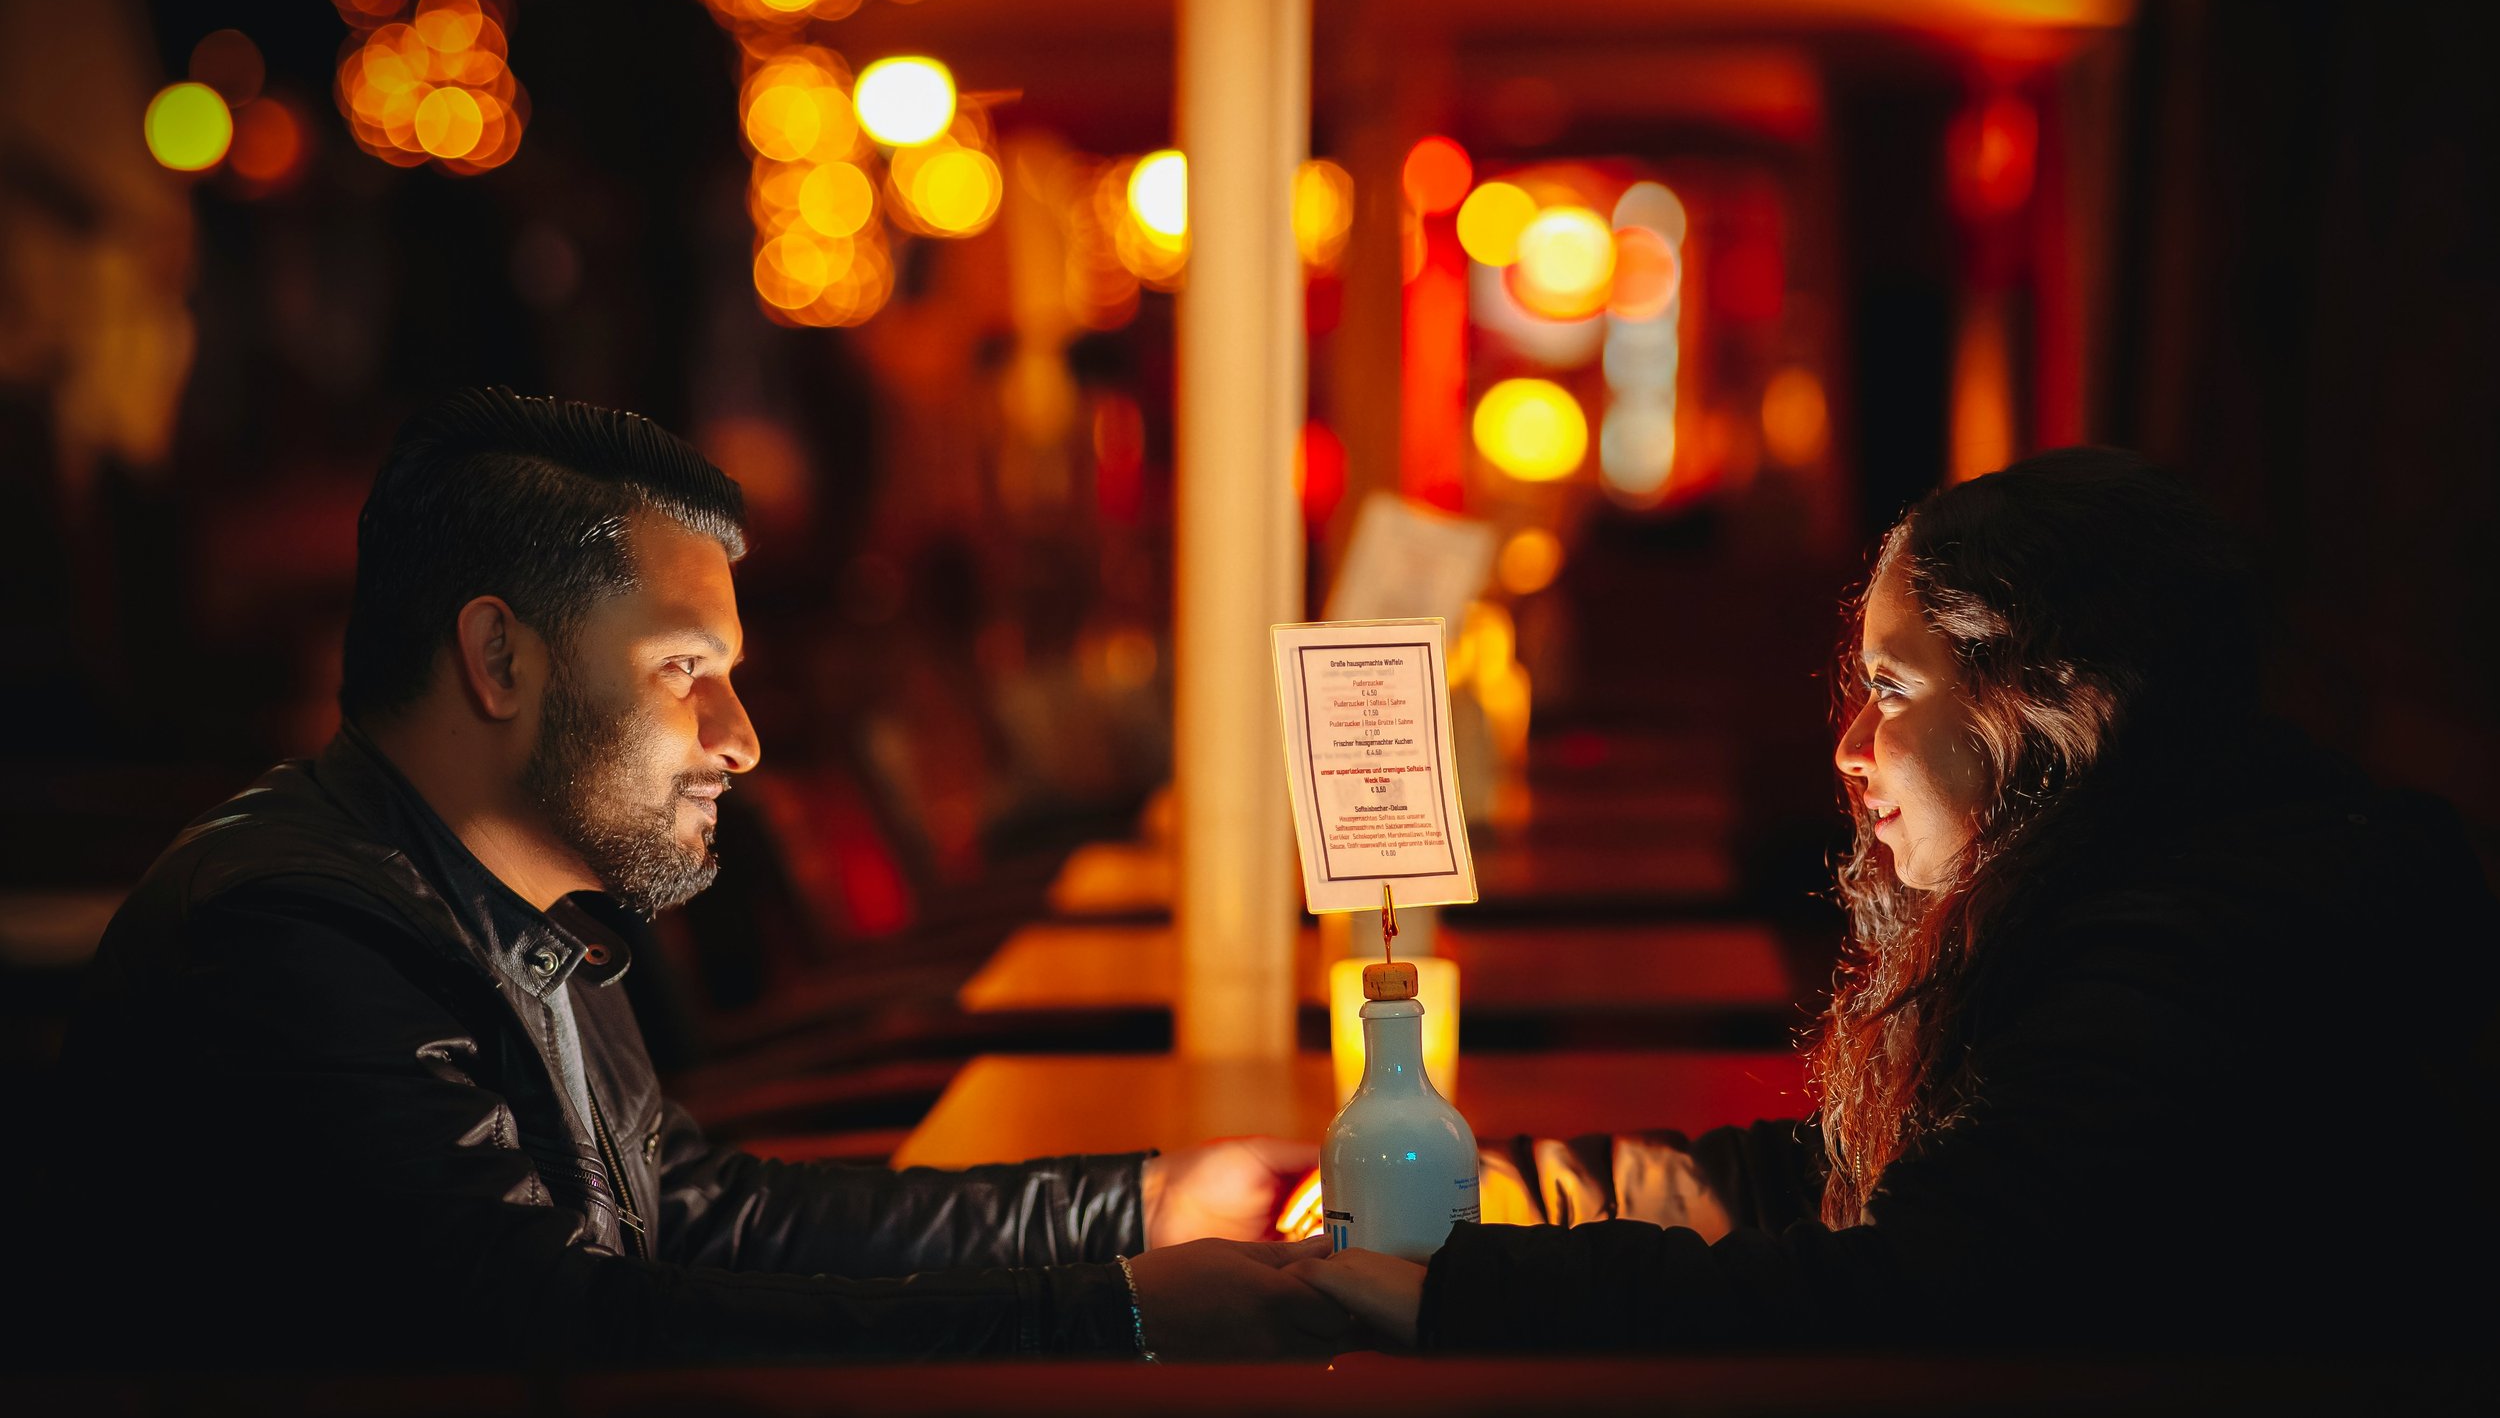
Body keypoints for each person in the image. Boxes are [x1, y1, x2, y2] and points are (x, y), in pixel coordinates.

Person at [49, 387, 1342, 1367]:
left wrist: (1139, 1203)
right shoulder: (292, 934)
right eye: (683, 670)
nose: (743, 736)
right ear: (500, 657)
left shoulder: (520, 896)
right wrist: (1112, 1307)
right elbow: (571, 1334)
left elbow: (686, 1211)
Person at [1300, 447, 2500, 1353]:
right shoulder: (2164, 877)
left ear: (2054, 701)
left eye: (1891, 685)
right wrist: (1510, 1192)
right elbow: (1835, 1175)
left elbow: (1905, 1294)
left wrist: (1449, 1295)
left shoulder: (2184, 958)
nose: (1851, 745)